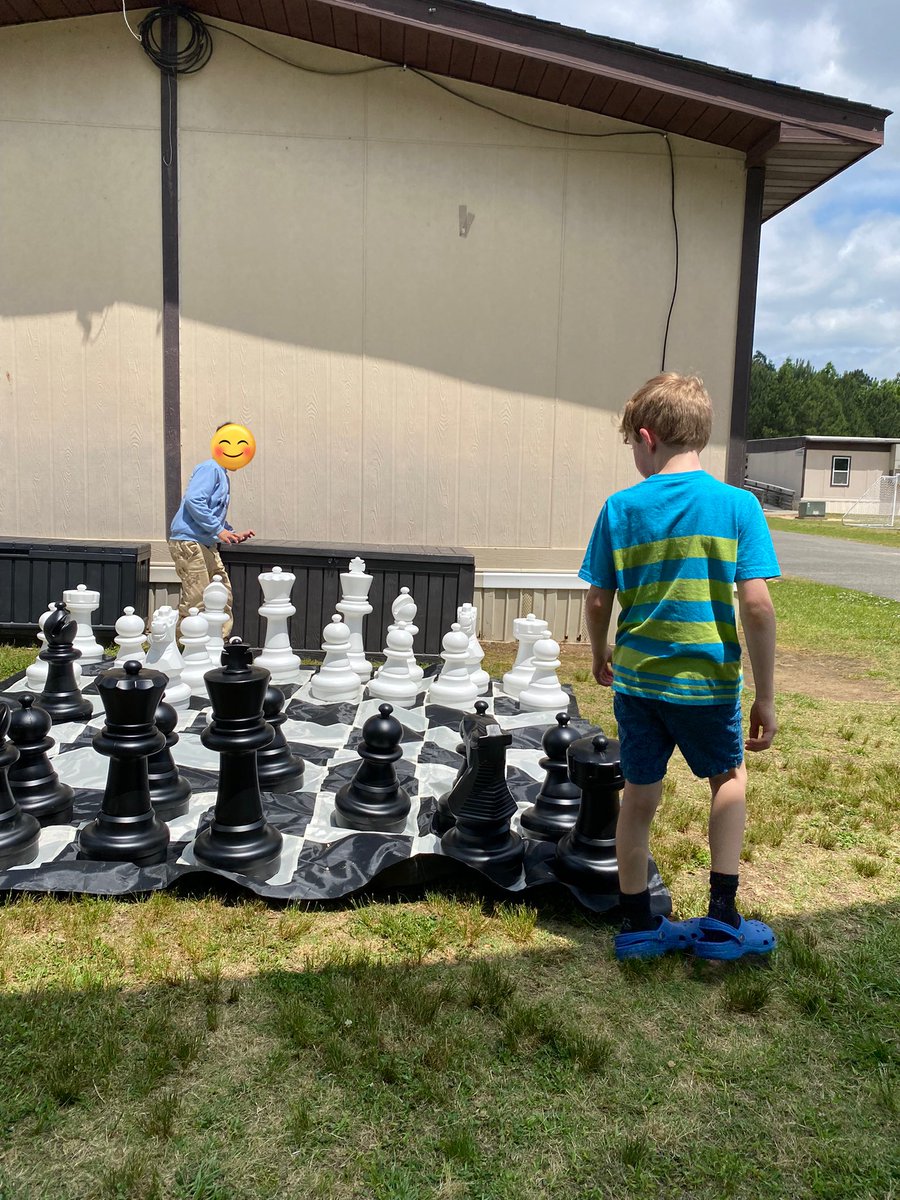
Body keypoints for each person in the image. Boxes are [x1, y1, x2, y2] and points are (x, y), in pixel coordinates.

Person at [578, 373, 780, 961]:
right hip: (708, 686)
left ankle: (638, 924)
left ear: (647, 438)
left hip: (638, 684)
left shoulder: (620, 508)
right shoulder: (739, 506)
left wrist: (599, 652)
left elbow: (597, 600)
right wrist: (765, 695)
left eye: (631, 446)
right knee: (728, 780)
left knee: (639, 796)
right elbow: (758, 606)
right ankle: (721, 919)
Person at [168, 422, 258, 636]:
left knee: (221, 593)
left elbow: (210, 511)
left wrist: (229, 532)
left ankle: (219, 641)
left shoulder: (222, 474)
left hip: (205, 543)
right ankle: (183, 644)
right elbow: (194, 500)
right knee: (197, 598)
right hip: (189, 542)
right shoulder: (210, 468)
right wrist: (218, 530)